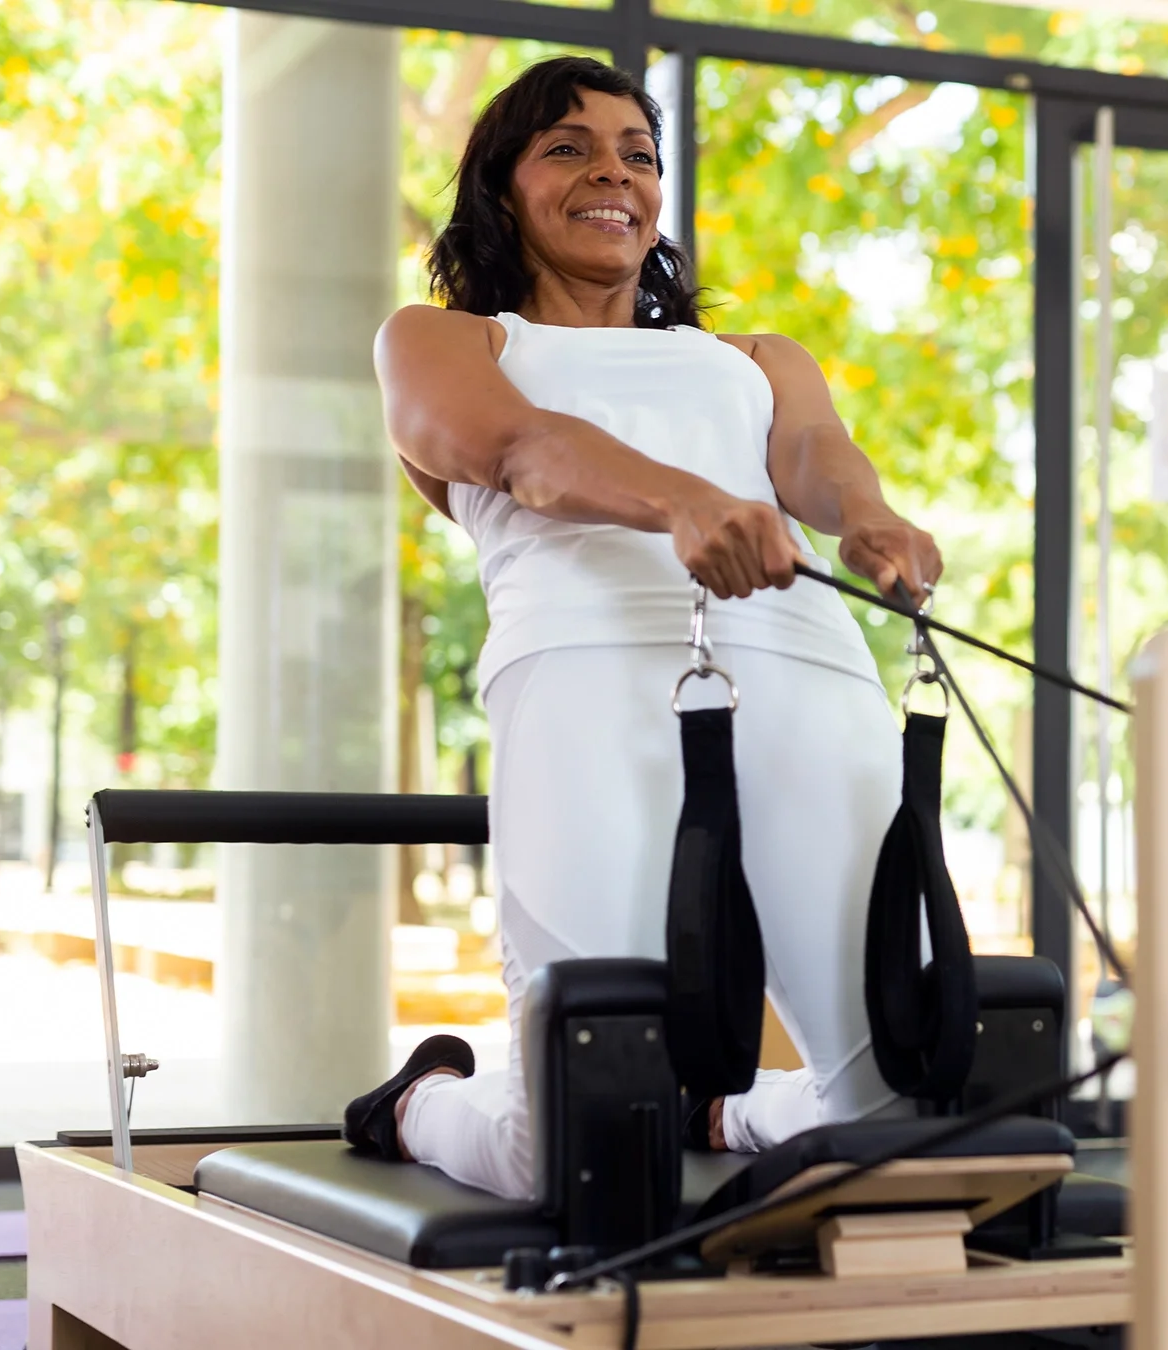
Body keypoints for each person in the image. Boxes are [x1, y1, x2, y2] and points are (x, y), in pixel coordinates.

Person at [341, 55, 944, 1204]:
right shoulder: (443, 342)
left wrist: (868, 518)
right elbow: (522, 451)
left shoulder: (756, 361)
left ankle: (731, 1108)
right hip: (584, 680)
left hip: (807, 674)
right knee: (570, 1140)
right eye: (568, 147)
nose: (612, 172)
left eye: (638, 153)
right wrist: (684, 500)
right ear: (500, 187)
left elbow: (813, 453)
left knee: (889, 1111)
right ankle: (423, 1100)